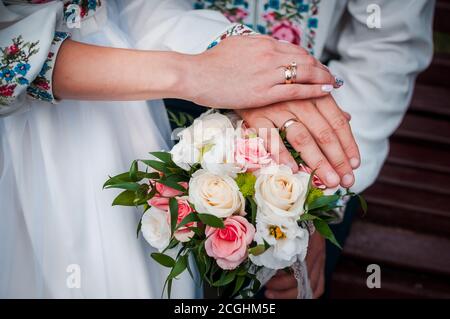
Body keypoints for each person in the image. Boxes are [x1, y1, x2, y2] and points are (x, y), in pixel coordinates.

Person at [0, 0, 350, 298]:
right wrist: (194, 74)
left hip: (123, 108)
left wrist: (240, 57)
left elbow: (132, 6)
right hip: (23, 133)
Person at [193, 0, 435, 298]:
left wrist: (314, 202)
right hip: (172, 97)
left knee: (282, 277)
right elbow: (140, 11)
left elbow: (385, 49)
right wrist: (226, 64)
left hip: (321, 115)